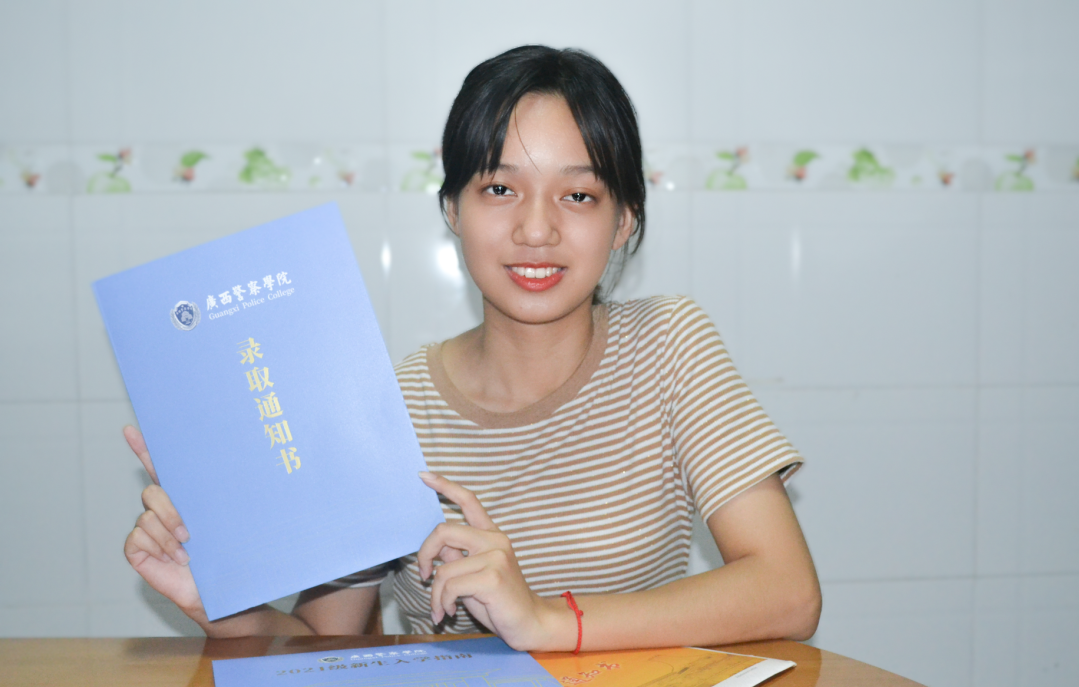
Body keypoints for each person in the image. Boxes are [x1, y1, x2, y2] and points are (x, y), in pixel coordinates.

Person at [124, 45, 821, 651]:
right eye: (500, 188)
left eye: (578, 195)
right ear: (452, 209)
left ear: (623, 221)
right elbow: (325, 649)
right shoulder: (390, 408)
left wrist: (545, 621)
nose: (536, 230)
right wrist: (218, 603)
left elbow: (787, 591)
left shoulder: (669, 345)